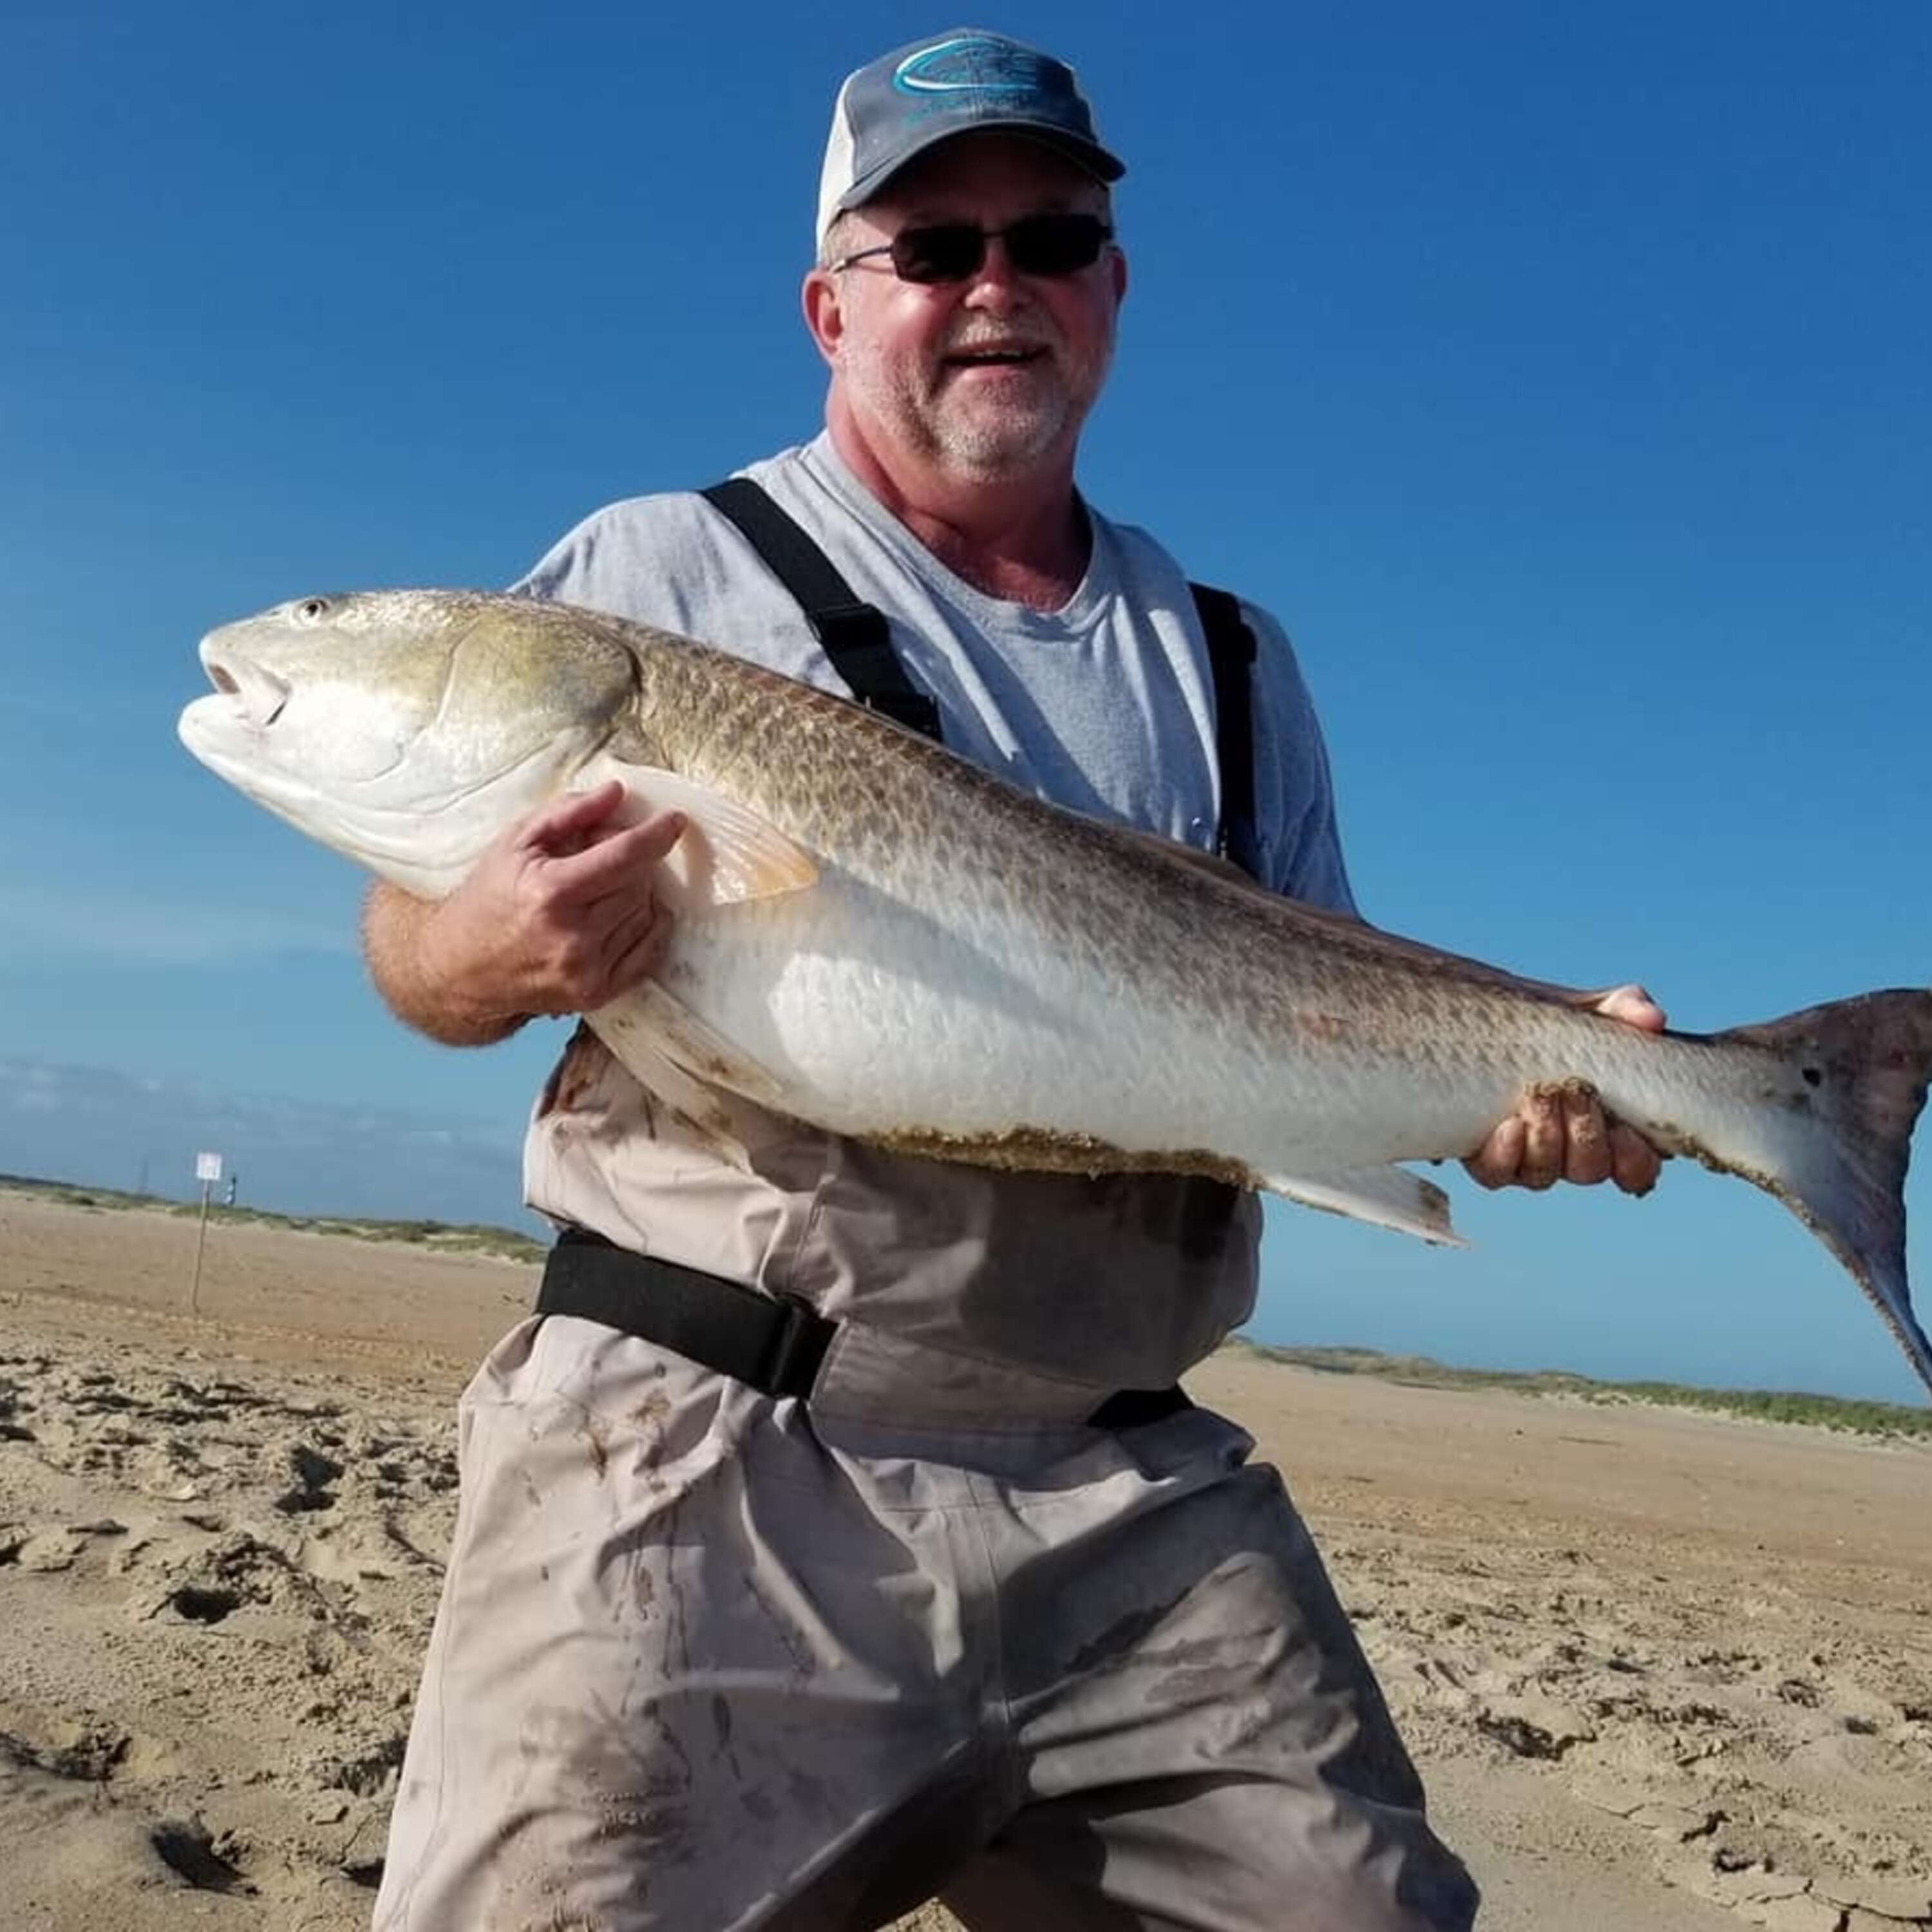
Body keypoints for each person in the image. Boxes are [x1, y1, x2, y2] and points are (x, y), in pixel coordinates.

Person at [364, 30, 1663, 1932]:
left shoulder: (1231, 658)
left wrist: (1545, 1077)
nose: (996, 289)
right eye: (931, 246)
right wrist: (469, 948)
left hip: (1125, 1484)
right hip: (711, 1453)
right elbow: (423, 952)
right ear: (831, 304)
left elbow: (1331, 1005)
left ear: (1112, 293)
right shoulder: (647, 579)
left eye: (1049, 238)